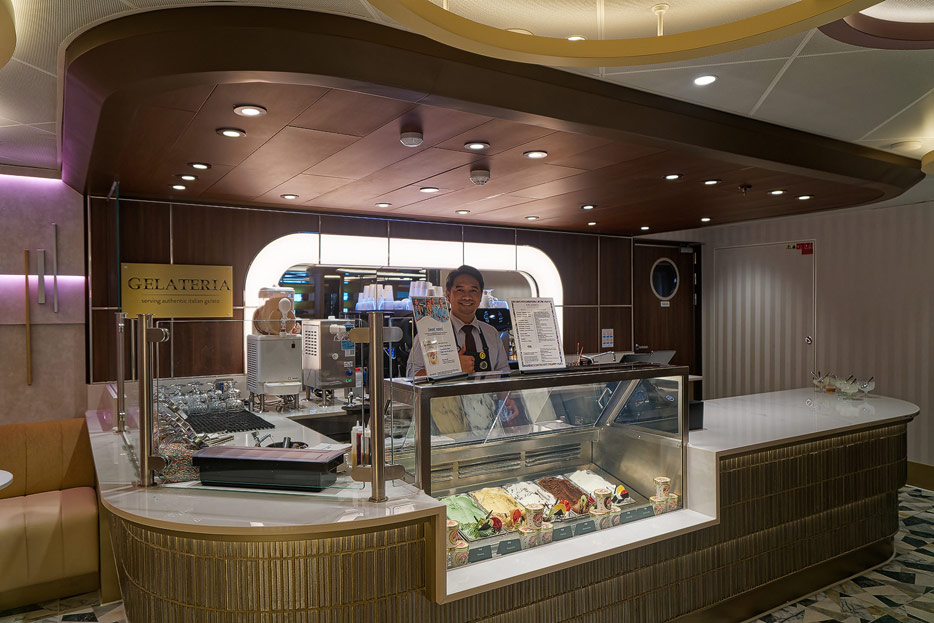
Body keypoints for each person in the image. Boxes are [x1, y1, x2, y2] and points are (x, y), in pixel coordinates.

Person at [406, 265, 510, 377]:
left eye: (473, 290)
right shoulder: (430, 332)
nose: (467, 297)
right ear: (448, 295)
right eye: (460, 290)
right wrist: (453, 368)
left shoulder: (491, 333)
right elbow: (412, 375)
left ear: (480, 296)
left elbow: (504, 375)